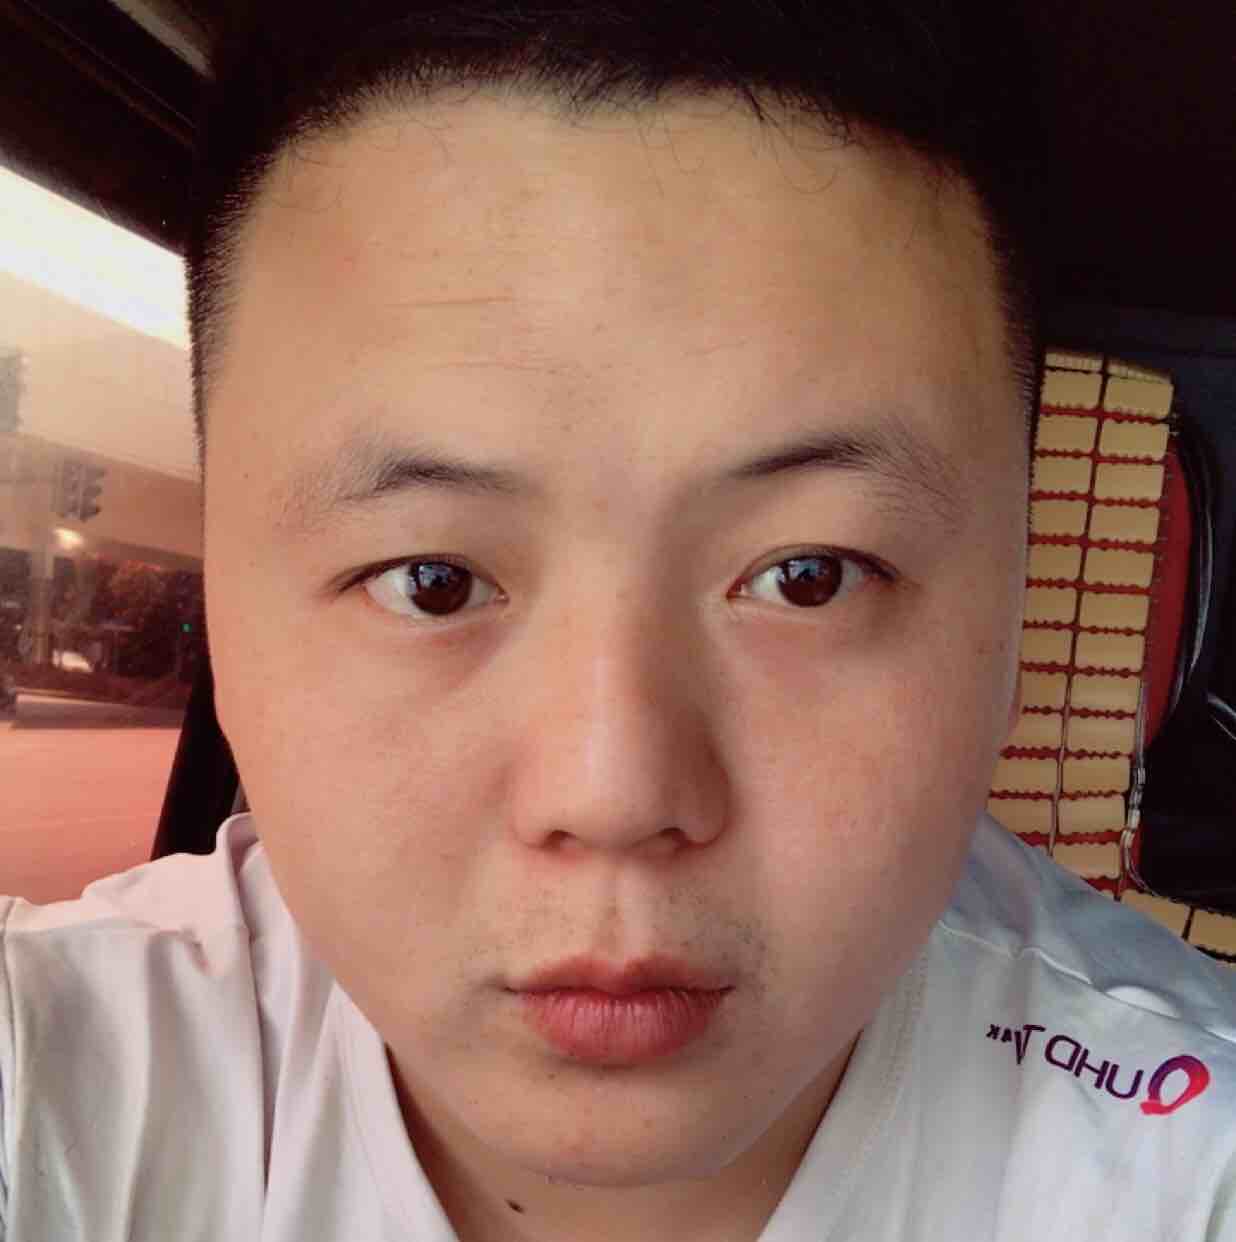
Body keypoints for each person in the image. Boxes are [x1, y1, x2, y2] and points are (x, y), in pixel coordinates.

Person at [3, 2, 1236, 1238]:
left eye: (810, 576)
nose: (612, 794)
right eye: (432, 581)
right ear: (222, 603)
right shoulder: (57, 1074)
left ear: (1013, 603)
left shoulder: (1187, 1159)